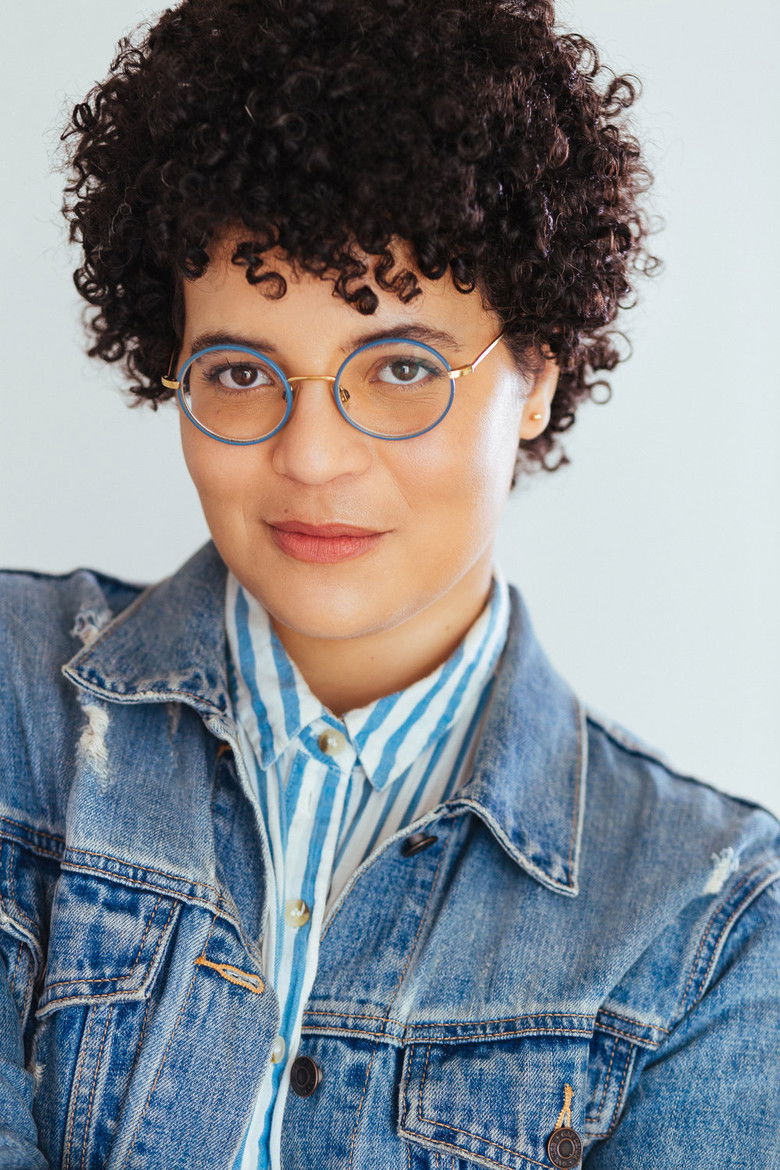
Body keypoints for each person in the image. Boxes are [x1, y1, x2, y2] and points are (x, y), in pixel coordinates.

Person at [0, 0, 777, 1166]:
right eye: (241, 372)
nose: (313, 457)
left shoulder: (707, 921)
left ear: (538, 377)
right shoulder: (15, 710)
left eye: (403, 367)